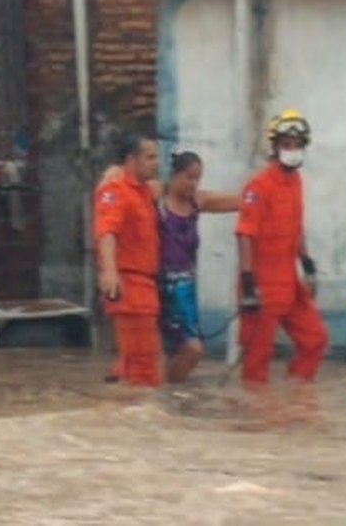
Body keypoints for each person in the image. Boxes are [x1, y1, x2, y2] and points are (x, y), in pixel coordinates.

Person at [99, 151, 239, 383]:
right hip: (157, 284)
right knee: (190, 348)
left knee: (182, 351)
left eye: (197, 178)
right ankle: (152, 390)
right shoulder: (156, 193)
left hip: (186, 289)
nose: (193, 184)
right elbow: (124, 183)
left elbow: (240, 201)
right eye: (188, 177)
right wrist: (112, 172)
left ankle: (159, 393)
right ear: (174, 175)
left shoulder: (198, 201)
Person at [235, 109, 329, 385]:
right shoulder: (259, 186)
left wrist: (308, 266)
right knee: (257, 360)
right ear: (275, 147)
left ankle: (294, 402)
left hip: (289, 282)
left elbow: (296, 227)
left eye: (298, 145)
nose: (293, 150)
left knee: (315, 339)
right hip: (262, 284)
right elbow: (245, 235)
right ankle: (256, 420)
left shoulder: (295, 182)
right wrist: (249, 283)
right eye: (287, 145)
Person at [94, 132, 162, 387]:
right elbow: (106, 232)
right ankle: (136, 419)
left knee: (134, 363)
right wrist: (110, 272)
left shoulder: (144, 191)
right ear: (132, 159)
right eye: (150, 157)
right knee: (143, 366)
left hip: (144, 286)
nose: (157, 162)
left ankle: (121, 416)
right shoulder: (116, 191)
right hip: (129, 285)